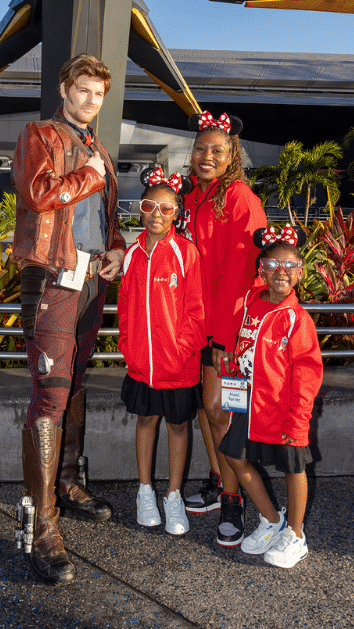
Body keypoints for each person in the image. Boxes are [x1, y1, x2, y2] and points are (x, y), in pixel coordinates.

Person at [13, 53, 126, 584]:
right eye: (82, 90)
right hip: (54, 279)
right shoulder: (41, 134)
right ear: (64, 88)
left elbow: (106, 218)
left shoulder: (97, 149)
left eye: (97, 94)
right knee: (49, 395)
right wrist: (87, 175)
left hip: (91, 279)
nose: (89, 101)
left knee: (76, 383)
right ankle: (42, 526)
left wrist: (117, 249)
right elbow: (38, 195)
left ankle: (67, 481)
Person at [176, 111, 268, 546]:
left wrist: (224, 336)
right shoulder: (193, 196)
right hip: (191, 323)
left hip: (223, 326)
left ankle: (234, 500)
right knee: (202, 408)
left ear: (232, 155)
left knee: (219, 411)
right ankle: (217, 479)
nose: (206, 156)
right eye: (200, 148)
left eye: (217, 150)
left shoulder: (238, 198)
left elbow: (241, 273)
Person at [222, 225, 324, 569]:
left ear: (300, 271)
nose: (280, 271)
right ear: (261, 269)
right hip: (247, 402)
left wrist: (299, 419)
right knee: (234, 456)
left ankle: (296, 535)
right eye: (272, 264)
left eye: (289, 265)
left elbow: (308, 374)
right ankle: (271, 519)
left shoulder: (297, 319)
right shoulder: (251, 302)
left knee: (293, 467)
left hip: (283, 409)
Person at [119, 168, 207, 536]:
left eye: (166, 208)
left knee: (178, 427)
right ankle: (144, 492)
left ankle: (173, 495)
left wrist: (182, 351)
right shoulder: (131, 255)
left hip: (179, 367)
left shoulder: (186, 253)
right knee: (145, 421)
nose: (157, 213)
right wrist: (128, 347)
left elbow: (196, 312)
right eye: (149, 205)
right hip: (142, 366)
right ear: (140, 209)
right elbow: (124, 307)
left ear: (177, 213)